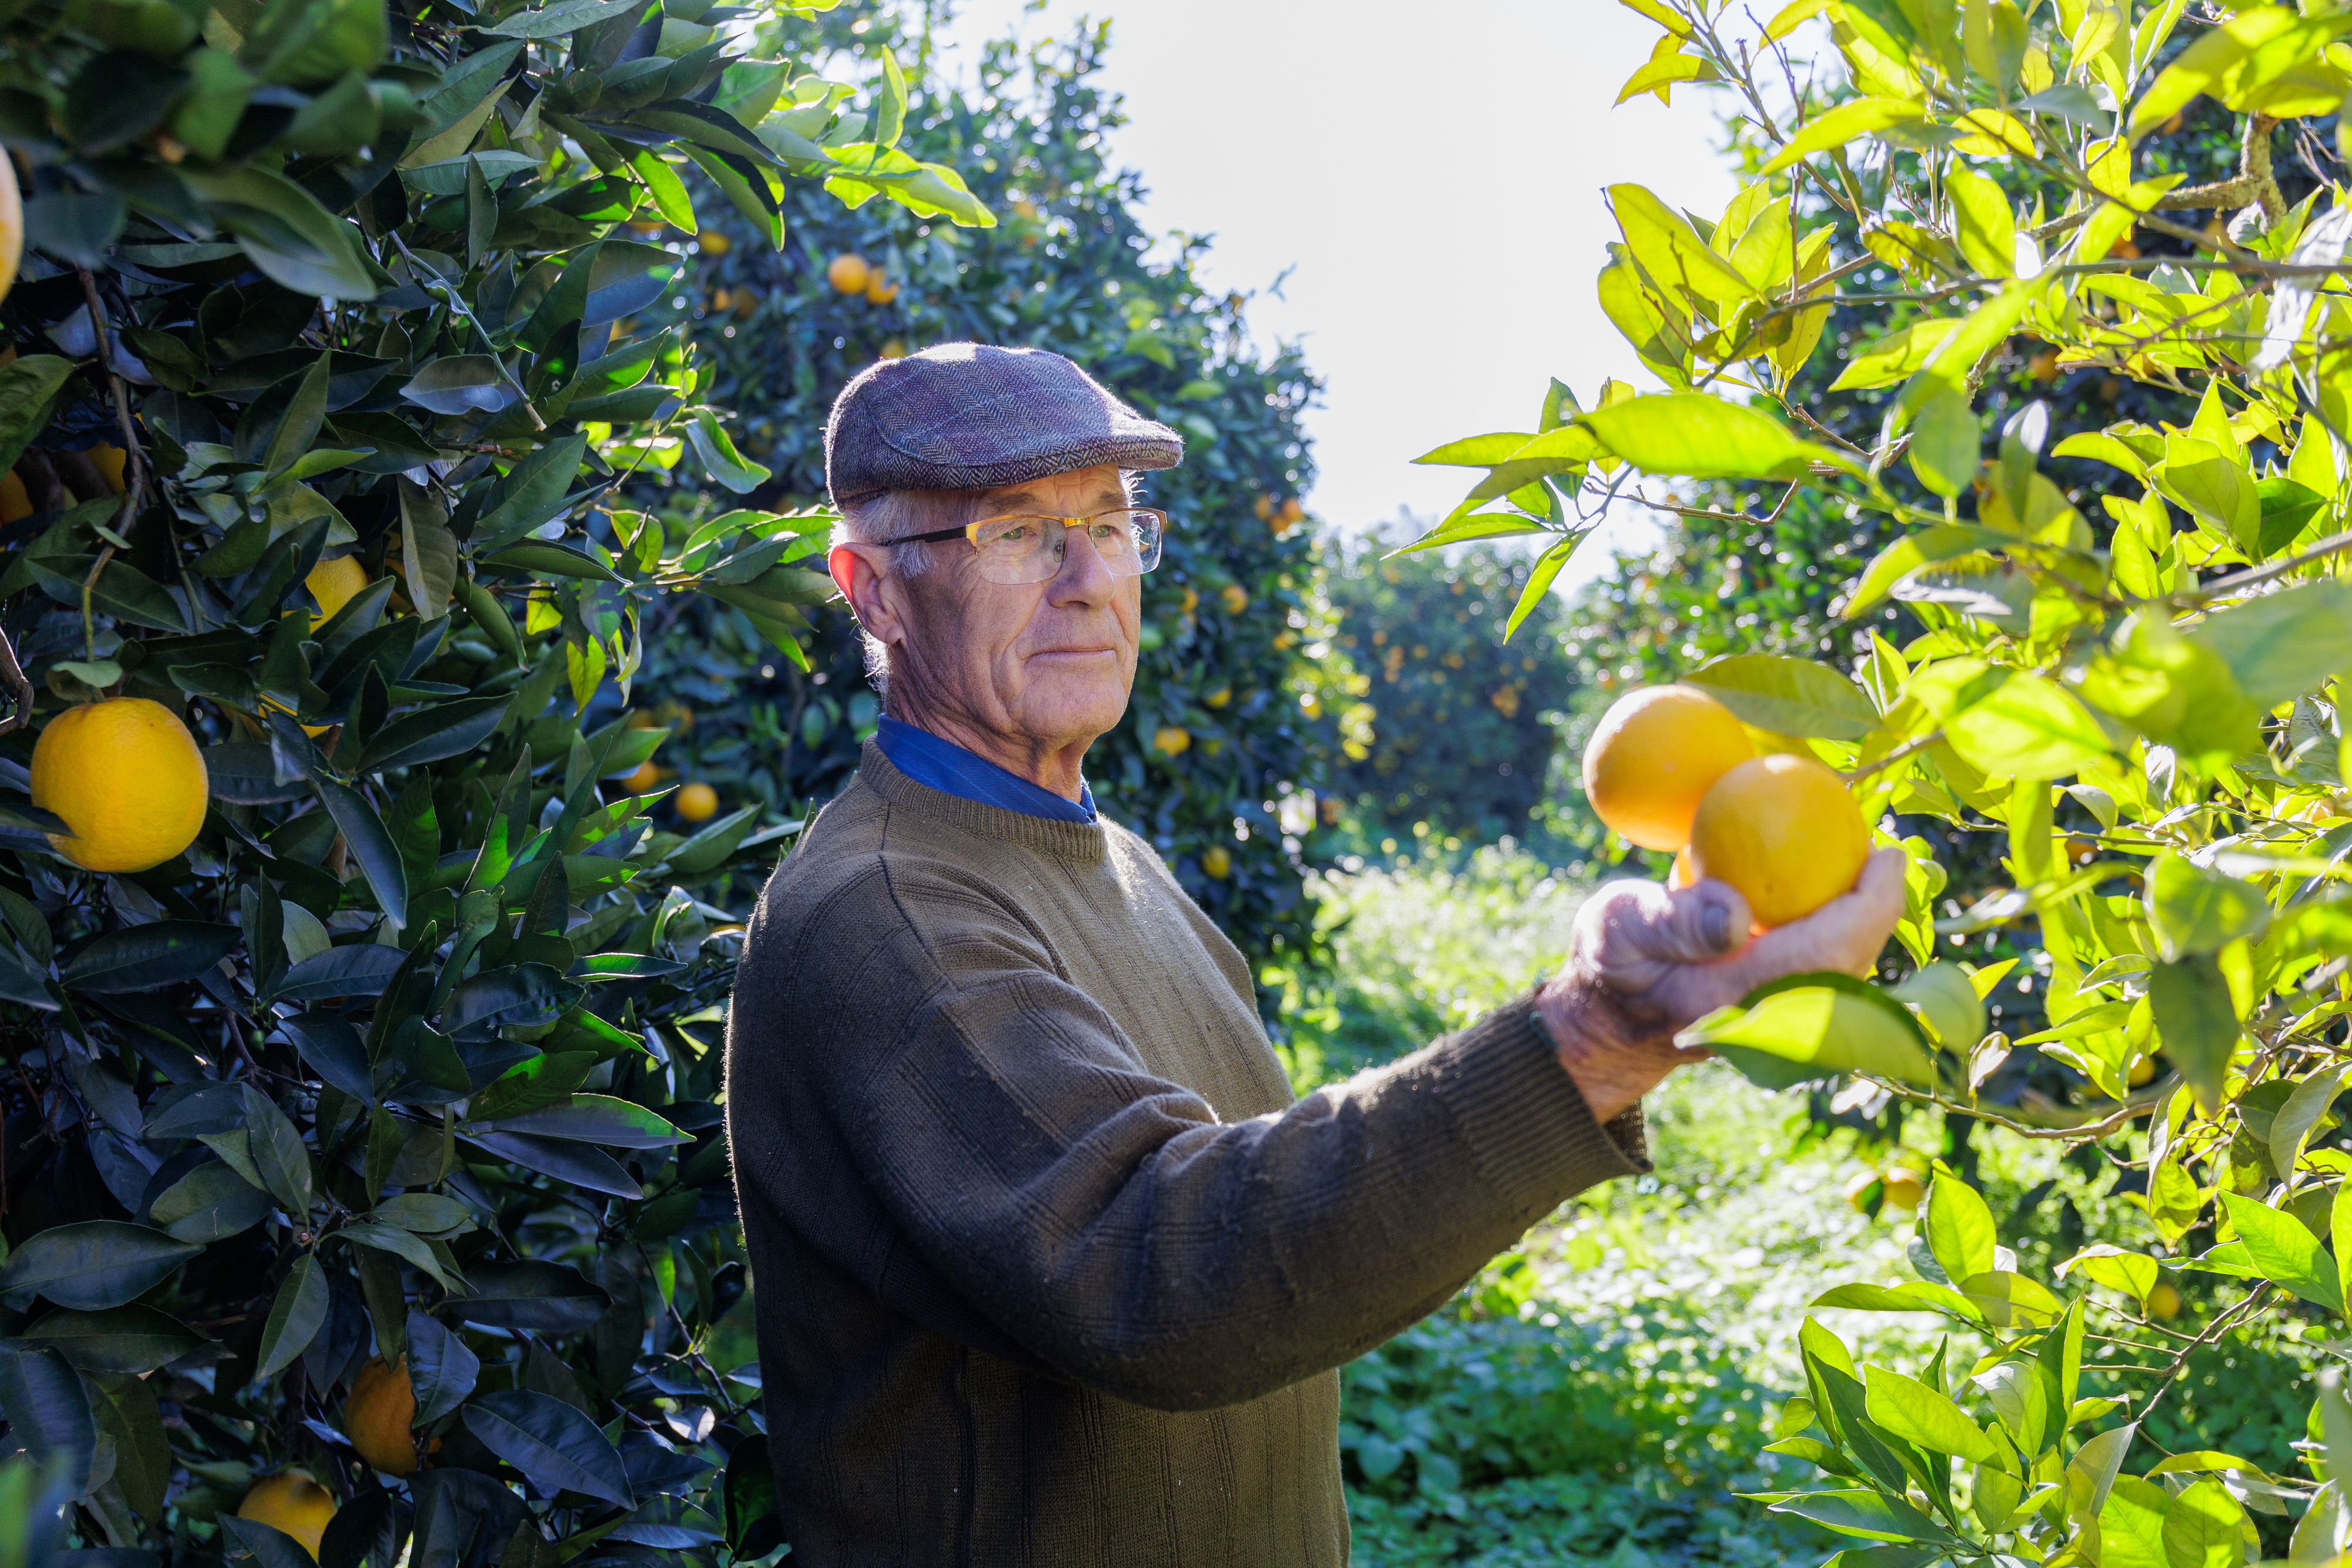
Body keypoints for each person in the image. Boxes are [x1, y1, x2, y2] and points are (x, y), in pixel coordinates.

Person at [723, 342, 1906, 1565]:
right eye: (1014, 533)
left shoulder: (1120, 869)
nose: (1087, 579)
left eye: (1110, 524)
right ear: (870, 590)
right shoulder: (882, 913)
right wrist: (1588, 1042)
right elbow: (1159, 1271)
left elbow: (1263, 1235)